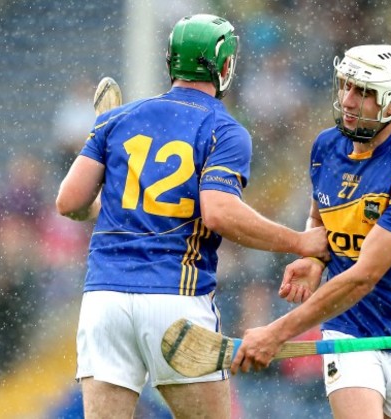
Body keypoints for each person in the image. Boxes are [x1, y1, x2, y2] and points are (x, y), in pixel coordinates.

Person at [55, 14, 327, 419]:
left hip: (104, 300)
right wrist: (300, 241)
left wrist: (101, 208)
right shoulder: (224, 129)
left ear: (171, 61)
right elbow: (218, 212)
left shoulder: (116, 119)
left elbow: (69, 201)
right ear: (225, 67)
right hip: (174, 299)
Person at [231, 44, 391, 419]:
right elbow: (320, 218)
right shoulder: (325, 147)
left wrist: (276, 333)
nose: (347, 100)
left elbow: (363, 276)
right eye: (345, 85)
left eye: (363, 93)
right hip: (349, 327)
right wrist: (315, 257)